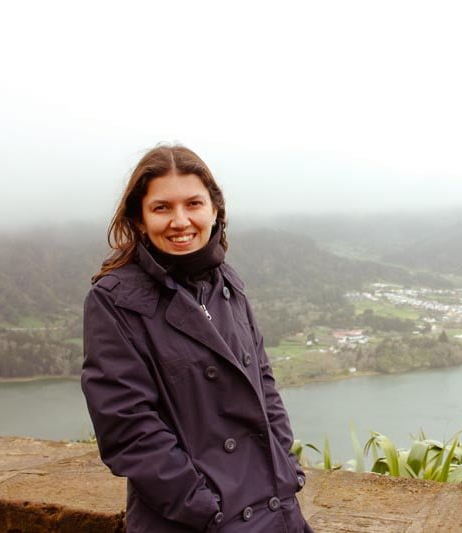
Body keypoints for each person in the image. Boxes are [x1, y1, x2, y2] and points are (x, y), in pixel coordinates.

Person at [81, 145, 313, 532]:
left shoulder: (227, 283)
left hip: (276, 509)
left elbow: (263, 383)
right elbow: (127, 427)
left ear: (214, 209)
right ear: (139, 218)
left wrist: (284, 463)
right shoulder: (114, 300)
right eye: (162, 208)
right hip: (194, 521)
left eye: (193, 204)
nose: (180, 220)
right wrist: (204, 506)